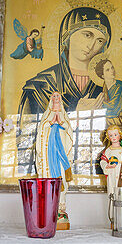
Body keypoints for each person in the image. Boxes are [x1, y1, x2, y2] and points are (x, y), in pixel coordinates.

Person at [17, 6, 111, 176]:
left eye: (100, 40)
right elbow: (25, 140)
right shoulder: (40, 86)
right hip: (51, 168)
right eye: (87, 34)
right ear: (67, 35)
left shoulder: (104, 88)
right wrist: (74, 112)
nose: (91, 45)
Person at [34, 92, 73, 229]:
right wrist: (51, 123)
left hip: (61, 154)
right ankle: (49, 210)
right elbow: (42, 131)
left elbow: (69, 131)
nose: (56, 98)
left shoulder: (64, 115)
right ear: (51, 99)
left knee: (61, 178)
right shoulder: (46, 115)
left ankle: (61, 211)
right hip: (48, 155)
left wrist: (61, 123)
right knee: (49, 178)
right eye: (54, 96)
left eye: (58, 97)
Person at [98, 125, 122, 200]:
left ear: (119, 135)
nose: (113, 137)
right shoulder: (108, 150)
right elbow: (103, 161)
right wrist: (107, 166)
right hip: (112, 175)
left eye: (115, 134)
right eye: (111, 135)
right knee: (113, 196)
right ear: (108, 137)